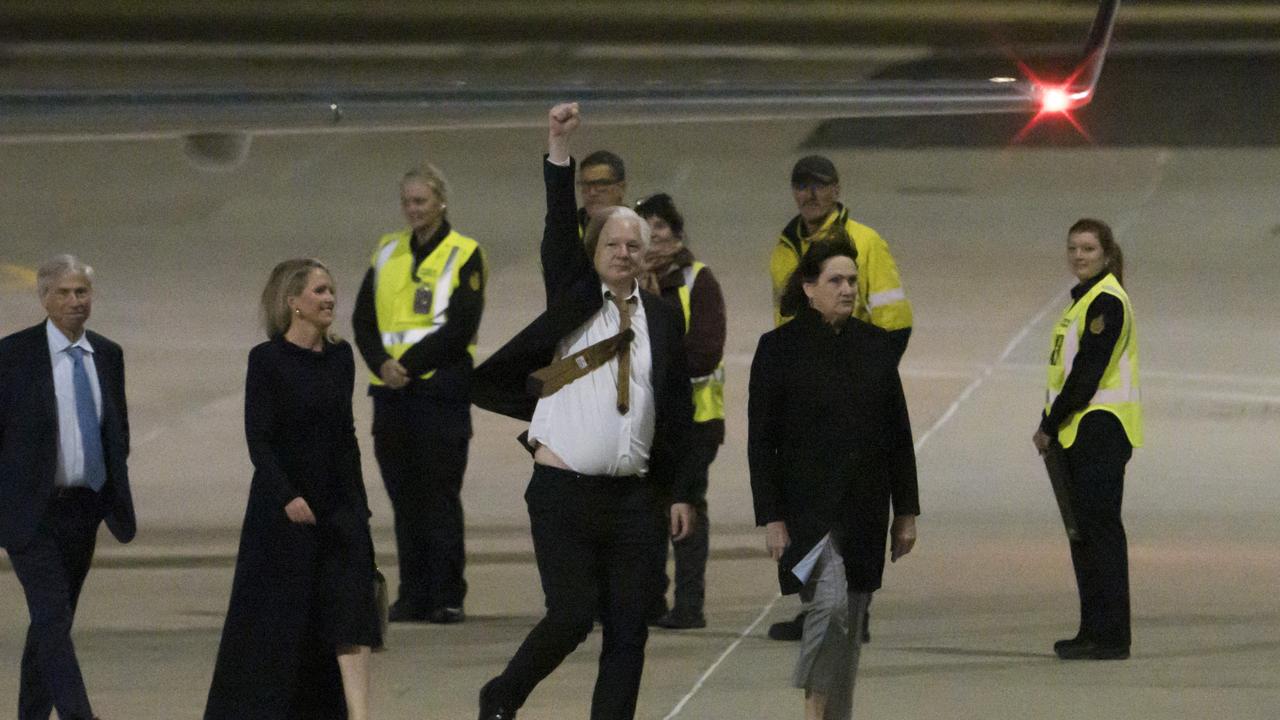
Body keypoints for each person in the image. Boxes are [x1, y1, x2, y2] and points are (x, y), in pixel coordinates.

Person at [470, 102, 697, 720]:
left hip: (634, 500)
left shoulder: (662, 319)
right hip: (564, 492)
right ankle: (502, 695)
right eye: (613, 242)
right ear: (593, 250)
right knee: (571, 615)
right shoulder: (574, 300)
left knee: (629, 629)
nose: (623, 252)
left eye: (634, 244)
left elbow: (677, 410)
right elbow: (554, 227)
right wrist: (558, 151)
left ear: (647, 254)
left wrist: (681, 491)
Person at [749, 236, 919, 720]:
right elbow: (762, 443)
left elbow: (898, 435)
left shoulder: (876, 348)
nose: (847, 289)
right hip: (809, 515)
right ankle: (813, 707)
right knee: (832, 609)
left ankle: (833, 713)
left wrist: (905, 512)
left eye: (851, 280)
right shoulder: (778, 350)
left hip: (865, 510)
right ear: (809, 288)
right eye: (835, 281)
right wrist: (773, 518)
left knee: (851, 624)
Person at [205, 259, 380, 720]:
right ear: (292, 302)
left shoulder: (341, 357)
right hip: (284, 513)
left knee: (351, 614)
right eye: (320, 291)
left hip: (339, 506)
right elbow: (258, 439)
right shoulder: (266, 361)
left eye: (331, 291)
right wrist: (287, 496)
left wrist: (359, 506)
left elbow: (346, 435)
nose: (329, 299)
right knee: (280, 625)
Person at [768, 154, 914, 642]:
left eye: (819, 185)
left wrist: (864, 381)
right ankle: (818, 607)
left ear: (836, 189)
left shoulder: (865, 243)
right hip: (803, 391)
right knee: (810, 503)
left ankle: (850, 609)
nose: (809, 194)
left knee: (851, 500)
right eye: (801, 186)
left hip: (852, 383)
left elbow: (896, 320)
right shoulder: (785, 247)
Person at [0, 254, 135, 720]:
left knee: (50, 624)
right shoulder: (13, 356)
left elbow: (117, 432)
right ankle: (80, 714)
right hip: (30, 512)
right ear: (44, 299)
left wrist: (105, 497)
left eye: (82, 292)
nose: (75, 301)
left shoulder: (109, 355)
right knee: (53, 618)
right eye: (64, 293)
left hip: (82, 510)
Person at [352, 164, 485, 624]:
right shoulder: (386, 250)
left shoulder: (464, 253)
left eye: (421, 201)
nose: (413, 209)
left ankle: (448, 594)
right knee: (403, 497)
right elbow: (363, 320)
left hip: (439, 392)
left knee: (439, 495)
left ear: (441, 202)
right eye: (407, 201)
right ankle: (413, 593)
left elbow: (461, 327)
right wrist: (381, 365)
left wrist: (406, 366)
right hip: (390, 396)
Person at [1033, 218, 1142, 661]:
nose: (1079, 256)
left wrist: (1049, 423)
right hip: (1079, 429)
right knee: (1084, 534)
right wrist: (1051, 420)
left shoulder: (1106, 303)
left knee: (1101, 533)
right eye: (1074, 248)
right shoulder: (1082, 302)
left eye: (1089, 250)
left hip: (1100, 429)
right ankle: (1092, 629)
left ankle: (1112, 636)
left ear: (1106, 254)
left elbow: (1086, 374)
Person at [635, 192, 727, 630]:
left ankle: (690, 604)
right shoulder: (627, 283)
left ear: (676, 232)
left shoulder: (697, 280)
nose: (652, 237)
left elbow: (705, 352)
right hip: (647, 418)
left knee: (686, 504)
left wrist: (657, 364)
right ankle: (650, 598)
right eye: (643, 228)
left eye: (660, 227)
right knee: (648, 508)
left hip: (695, 418)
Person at [576, 149, 627, 234]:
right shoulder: (568, 229)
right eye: (585, 185)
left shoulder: (639, 228)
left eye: (601, 184)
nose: (592, 192)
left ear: (621, 188)